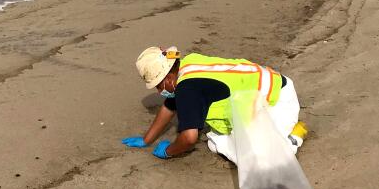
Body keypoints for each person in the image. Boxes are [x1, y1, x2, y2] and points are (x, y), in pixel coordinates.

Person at [122, 47, 308, 163]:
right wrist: (146, 139)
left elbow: (189, 138)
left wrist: (169, 152)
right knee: (215, 141)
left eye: (157, 85)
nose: (157, 91)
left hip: (278, 103)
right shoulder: (186, 65)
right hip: (273, 86)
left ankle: (293, 137)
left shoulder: (187, 89)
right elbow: (170, 106)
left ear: (168, 77)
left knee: (256, 161)